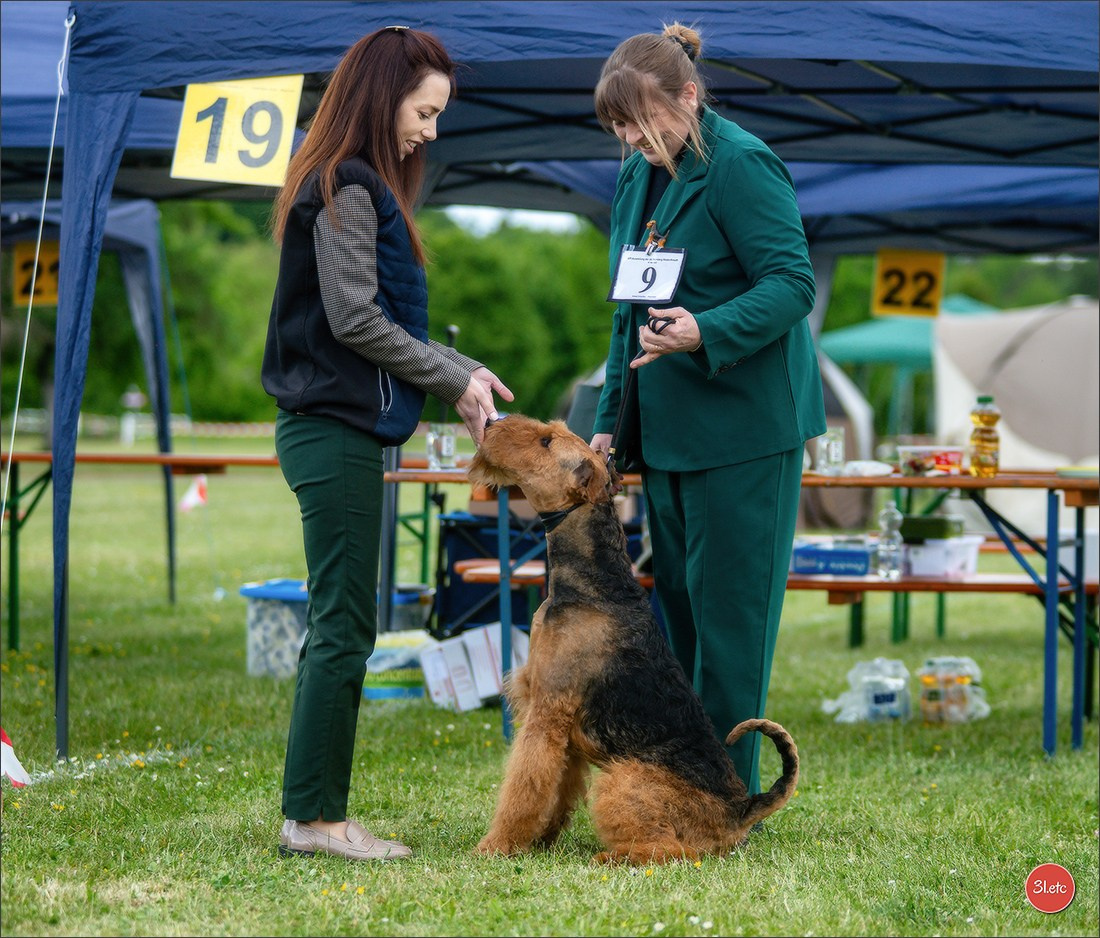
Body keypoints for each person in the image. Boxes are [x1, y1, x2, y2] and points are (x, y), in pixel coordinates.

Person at [262, 26, 513, 861]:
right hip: (329, 435)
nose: (431, 132)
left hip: (343, 433)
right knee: (343, 626)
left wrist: (463, 370)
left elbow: (385, 323)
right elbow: (357, 320)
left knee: (345, 623)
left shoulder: (359, 186)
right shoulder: (344, 186)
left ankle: (313, 813)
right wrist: (451, 379)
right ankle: (316, 820)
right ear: (383, 97)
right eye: (424, 111)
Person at [588, 23, 825, 797]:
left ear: (689, 97)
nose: (632, 139)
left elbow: (792, 284)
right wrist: (611, 426)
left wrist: (706, 329)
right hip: (668, 434)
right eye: (620, 127)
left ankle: (723, 800)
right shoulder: (637, 176)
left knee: (729, 631)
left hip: (745, 434)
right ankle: (688, 783)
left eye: (643, 122)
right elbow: (629, 313)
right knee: (681, 623)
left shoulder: (743, 165)